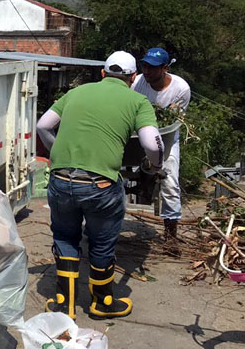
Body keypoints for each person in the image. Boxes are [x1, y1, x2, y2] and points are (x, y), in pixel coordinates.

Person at [36, 51, 164, 319]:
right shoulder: (138, 101)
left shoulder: (77, 93)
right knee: (102, 242)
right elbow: (152, 144)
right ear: (132, 78)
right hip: (101, 185)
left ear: (103, 74)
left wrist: (58, 153)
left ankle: (64, 304)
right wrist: (155, 165)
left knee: (65, 236)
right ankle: (102, 302)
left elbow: (43, 126)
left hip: (60, 180)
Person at [132, 47, 191, 240]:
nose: (147, 71)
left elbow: (172, 120)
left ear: (165, 68)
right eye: (145, 66)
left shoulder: (181, 89)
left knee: (170, 181)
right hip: (138, 135)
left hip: (166, 136)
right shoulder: (138, 83)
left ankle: (171, 235)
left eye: (153, 67)